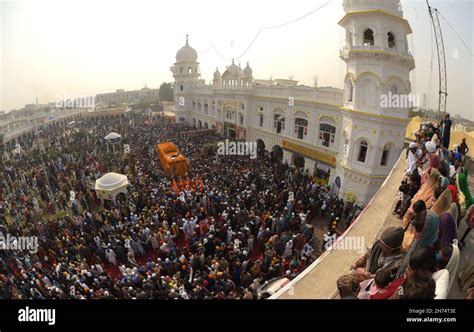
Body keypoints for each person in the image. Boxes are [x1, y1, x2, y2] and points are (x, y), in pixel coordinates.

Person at [336, 227, 405, 298]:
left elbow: (382, 278)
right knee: (342, 282)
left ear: (390, 249)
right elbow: (367, 254)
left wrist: (365, 274)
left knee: (347, 284)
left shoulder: (396, 261)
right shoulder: (378, 245)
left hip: (375, 282)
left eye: (383, 245)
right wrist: (359, 262)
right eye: (380, 242)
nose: (380, 245)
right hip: (366, 273)